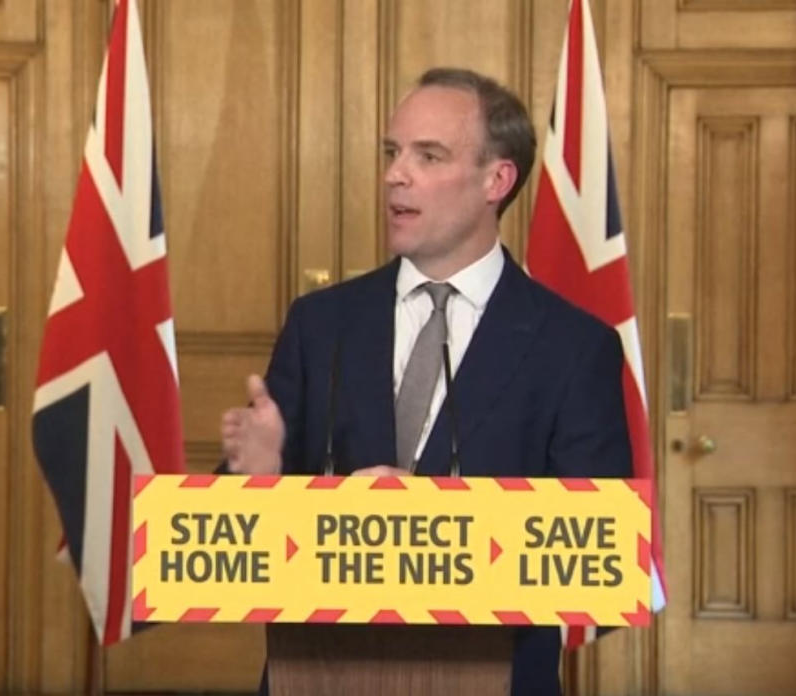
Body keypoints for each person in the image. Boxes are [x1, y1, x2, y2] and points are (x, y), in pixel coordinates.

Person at [220, 67, 631, 696]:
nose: (394, 175)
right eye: (392, 152)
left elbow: (598, 562)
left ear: (497, 180)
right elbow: (232, 550)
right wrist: (261, 477)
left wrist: (433, 522)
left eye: (428, 155)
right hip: (320, 673)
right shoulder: (321, 324)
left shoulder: (574, 348)